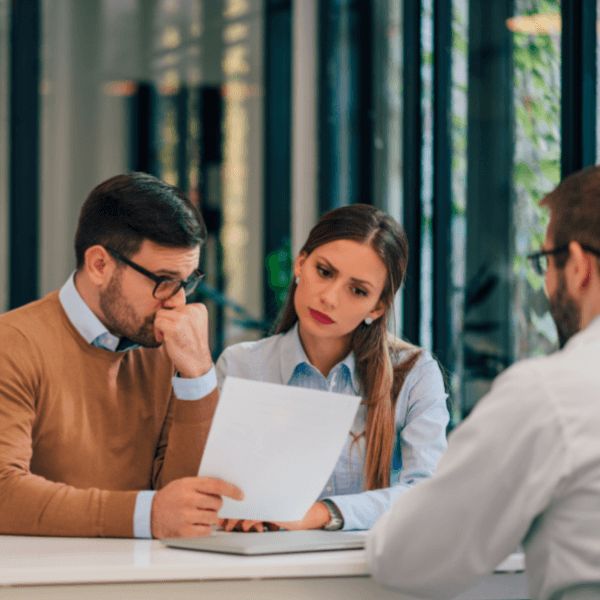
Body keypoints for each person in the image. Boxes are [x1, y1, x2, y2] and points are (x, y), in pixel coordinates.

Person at [367, 165, 600, 600]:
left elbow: (409, 556)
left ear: (579, 267)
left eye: (546, 261)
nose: (546, 281)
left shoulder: (552, 394)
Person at [0, 173, 242, 539]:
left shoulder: (166, 346)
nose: (178, 301)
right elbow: (4, 492)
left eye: (188, 282)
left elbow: (187, 504)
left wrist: (199, 376)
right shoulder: (13, 344)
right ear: (99, 265)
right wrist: (145, 515)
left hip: (149, 579)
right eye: (163, 280)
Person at [216, 204, 449, 532]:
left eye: (357, 291)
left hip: (367, 572)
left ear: (378, 306)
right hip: (262, 564)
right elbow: (217, 489)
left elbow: (428, 495)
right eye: (324, 272)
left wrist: (320, 513)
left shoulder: (414, 374)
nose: (329, 297)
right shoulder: (241, 365)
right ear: (300, 264)